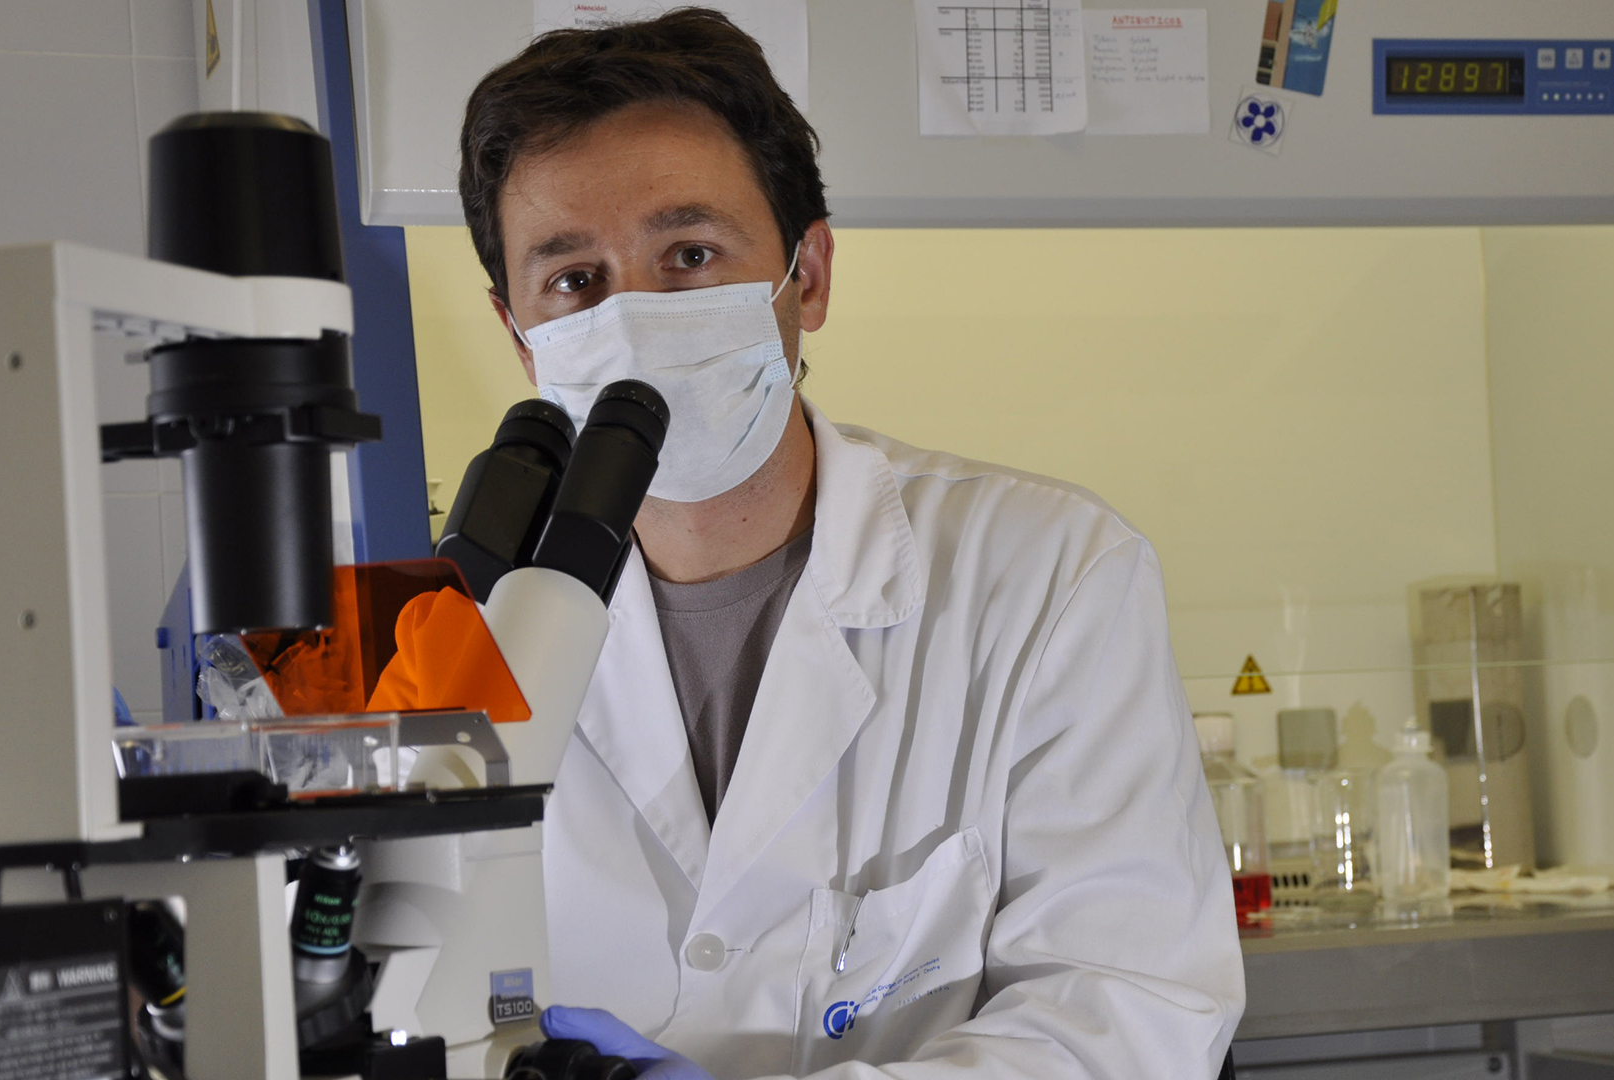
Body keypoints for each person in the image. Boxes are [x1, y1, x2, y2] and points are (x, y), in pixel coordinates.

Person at [458, 10, 1244, 1078]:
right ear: (520, 337)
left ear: (808, 277)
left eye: (691, 254)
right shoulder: (459, 621)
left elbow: (1131, 1015)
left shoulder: (1052, 575)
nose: (636, 318)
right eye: (577, 280)